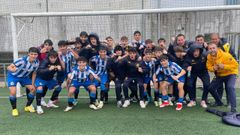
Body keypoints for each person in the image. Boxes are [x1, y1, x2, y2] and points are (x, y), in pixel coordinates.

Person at [7, 47, 39, 116]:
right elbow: (9, 67)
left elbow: (34, 73)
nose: (33, 56)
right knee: (13, 91)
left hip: (24, 77)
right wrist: (13, 70)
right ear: (28, 54)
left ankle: (27, 106)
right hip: (13, 76)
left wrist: (32, 84)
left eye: (35, 54)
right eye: (32, 54)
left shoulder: (36, 63)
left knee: (33, 90)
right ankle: (14, 109)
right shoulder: (21, 60)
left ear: (37, 55)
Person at [207, 43, 238, 112]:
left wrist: (224, 66)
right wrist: (213, 68)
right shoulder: (209, 57)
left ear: (217, 48)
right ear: (208, 50)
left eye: (213, 48)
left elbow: (236, 65)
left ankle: (233, 108)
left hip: (231, 74)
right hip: (220, 75)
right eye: (210, 48)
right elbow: (209, 67)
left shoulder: (226, 55)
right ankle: (219, 102)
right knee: (210, 88)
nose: (212, 50)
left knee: (230, 87)